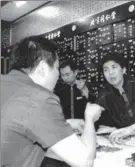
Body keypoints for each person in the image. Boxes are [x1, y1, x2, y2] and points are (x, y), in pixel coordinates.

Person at [1, 36, 103, 167]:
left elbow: (16, 122)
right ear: (42, 68)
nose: (58, 76)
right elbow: (84, 161)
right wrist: (89, 118)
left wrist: (67, 123)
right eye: (56, 68)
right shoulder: (39, 97)